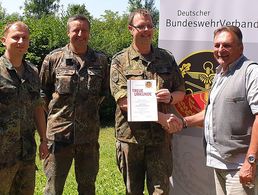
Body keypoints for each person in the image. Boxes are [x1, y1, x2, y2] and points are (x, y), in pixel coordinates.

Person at [174, 26, 258, 195]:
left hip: (240, 166)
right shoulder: (220, 74)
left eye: (227, 45)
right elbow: (211, 112)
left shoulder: (251, 72)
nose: (220, 50)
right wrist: (183, 122)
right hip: (218, 163)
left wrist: (250, 161)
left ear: (241, 48)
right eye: (217, 45)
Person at [110, 8, 185, 194]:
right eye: (141, 26)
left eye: (150, 25)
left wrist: (170, 97)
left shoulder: (166, 58)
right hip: (131, 139)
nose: (146, 30)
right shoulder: (119, 61)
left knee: (160, 191)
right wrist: (160, 117)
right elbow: (124, 103)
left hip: (160, 141)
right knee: (132, 191)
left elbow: (181, 91)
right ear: (130, 29)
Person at [39, 15, 109, 195]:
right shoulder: (53, 59)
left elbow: (103, 92)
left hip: (88, 137)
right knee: (53, 188)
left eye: (84, 30)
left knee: (87, 187)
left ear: (89, 33)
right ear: (68, 32)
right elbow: (42, 92)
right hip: (59, 136)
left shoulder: (100, 61)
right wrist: (58, 116)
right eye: (75, 30)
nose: (80, 34)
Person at [0, 21, 48, 194]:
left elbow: (37, 107)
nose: (20, 41)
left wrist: (44, 139)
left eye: (25, 38)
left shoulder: (33, 72)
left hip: (26, 153)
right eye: (15, 37)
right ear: (3, 40)